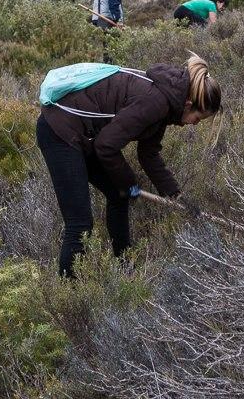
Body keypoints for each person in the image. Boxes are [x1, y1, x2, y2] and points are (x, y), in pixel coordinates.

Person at [36, 53, 221, 277]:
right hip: (59, 131)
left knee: (118, 195)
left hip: (83, 135)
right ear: (189, 104)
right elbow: (106, 146)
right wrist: (129, 183)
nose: (194, 124)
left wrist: (177, 197)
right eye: (198, 119)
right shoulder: (156, 102)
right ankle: (67, 299)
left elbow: (149, 155)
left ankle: (126, 270)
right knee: (80, 226)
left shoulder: (167, 103)